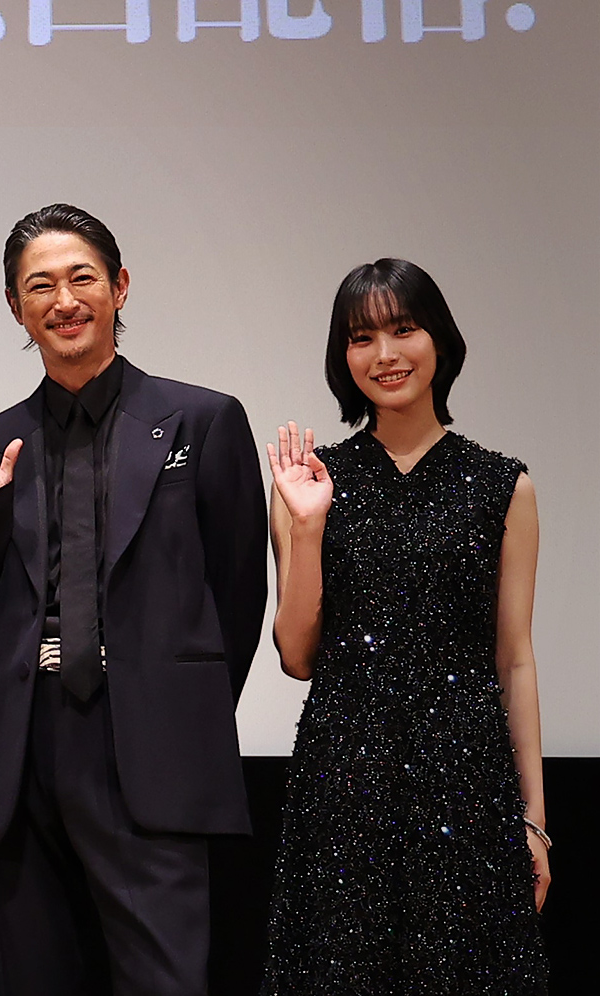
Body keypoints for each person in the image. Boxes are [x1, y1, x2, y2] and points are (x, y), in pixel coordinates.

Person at [0, 203, 267, 996]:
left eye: (82, 277)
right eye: (38, 286)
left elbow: (239, 595)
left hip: (148, 742)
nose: (63, 299)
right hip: (15, 750)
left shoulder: (202, 421)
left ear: (118, 287)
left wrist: (182, 712)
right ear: (17, 309)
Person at [260, 258, 549, 993]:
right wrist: (308, 526)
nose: (384, 354)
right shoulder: (309, 481)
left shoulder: (502, 483)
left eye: (402, 328)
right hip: (344, 777)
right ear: (343, 357)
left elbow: (514, 659)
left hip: (468, 780)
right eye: (361, 338)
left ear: (439, 342)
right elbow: (297, 655)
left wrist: (535, 820)